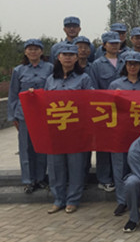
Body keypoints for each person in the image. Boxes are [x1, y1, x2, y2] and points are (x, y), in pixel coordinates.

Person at [44, 44, 94, 214]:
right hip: (56, 130)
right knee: (55, 166)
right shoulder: (50, 80)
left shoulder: (84, 78)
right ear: (58, 57)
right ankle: (58, 199)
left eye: (71, 55)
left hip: (76, 130)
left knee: (76, 166)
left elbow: (91, 100)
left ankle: (73, 199)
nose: (68, 57)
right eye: (64, 54)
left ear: (76, 58)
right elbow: (44, 102)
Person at [8, 39, 53, 194]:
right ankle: (28, 180)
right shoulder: (19, 70)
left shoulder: (50, 68)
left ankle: (40, 178)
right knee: (25, 147)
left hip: (43, 113)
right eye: (30, 49)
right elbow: (13, 94)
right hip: (24, 114)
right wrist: (13, 116)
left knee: (41, 146)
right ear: (25, 52)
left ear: (41, 51)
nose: (33, 52)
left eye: (36, 49)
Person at [107, 51, 140, 216]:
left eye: (136, 64)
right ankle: (122, 201)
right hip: (120, 132)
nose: (133, 67)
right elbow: (107, 107)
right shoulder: (115, 84)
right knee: (119, 167)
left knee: (139, 166)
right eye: (130, 64)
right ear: (125, 66)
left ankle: (138, 197)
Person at [89, 31, 125, 193]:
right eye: (111, 43)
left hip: (124, 111)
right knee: (104, 145)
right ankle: (104, 178)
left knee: (121, 144)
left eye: (117, 43)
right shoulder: (97, 65)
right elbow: (93, 88)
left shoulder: (125, 61)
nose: (115, 46)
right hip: (104, 110)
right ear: (104, 45)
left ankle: (121, 177)